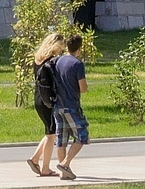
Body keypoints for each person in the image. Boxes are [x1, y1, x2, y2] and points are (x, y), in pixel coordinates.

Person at [51, 30, 89, 178]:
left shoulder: (58, 61)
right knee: (82, 135)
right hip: (72, 106)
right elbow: (83, 88)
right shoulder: (78, 64)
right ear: (79, 48)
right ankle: (65, 164)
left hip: (57, 106)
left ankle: (64, 174)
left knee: (61, 139)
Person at [28, 33, 66, 177]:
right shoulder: (52, 61)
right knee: (52, 134)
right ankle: (45, 168)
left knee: (49, 131)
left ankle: (35, 158)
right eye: (60, 47)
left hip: (38, 98)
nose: (61, 51)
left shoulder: (38, 59)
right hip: (48, 101)